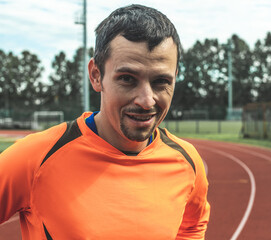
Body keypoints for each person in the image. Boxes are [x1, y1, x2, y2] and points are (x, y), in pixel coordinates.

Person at [0, 4, 210, 240]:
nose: (146, 100)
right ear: (96, 76)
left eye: (161, 81)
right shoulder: (36, 158)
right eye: (128, 79)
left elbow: (192, 227)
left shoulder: (188, 162)